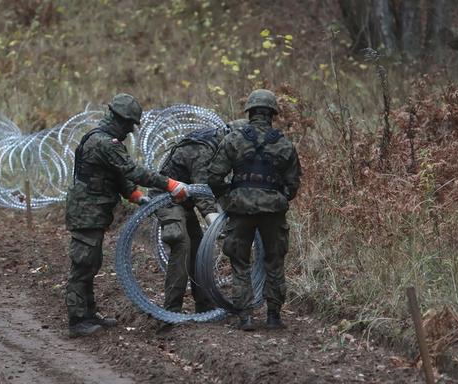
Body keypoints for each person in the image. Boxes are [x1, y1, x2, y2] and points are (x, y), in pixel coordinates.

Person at [64, 93, 188, 338]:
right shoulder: (104, 143)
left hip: (92, 212)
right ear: (120, 121)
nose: (130, 130)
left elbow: (114, 175)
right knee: (83, 265)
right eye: (129, 124)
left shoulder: (100, 140)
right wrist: (170, 184)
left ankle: (88, 313)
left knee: (91, 262)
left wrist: (133, 195)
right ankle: (77, 320)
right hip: (86, 213)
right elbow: (131, 170)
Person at [206, 89, 302, 331]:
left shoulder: (234, 139)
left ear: (249, 112)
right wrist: (276, 198)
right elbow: (293, 186)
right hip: (273, 212)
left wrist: (229, 198)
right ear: (272, 114)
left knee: (240, 262)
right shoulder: (284, 143)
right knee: (274, 261)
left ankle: (245, 316)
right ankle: (273, 317)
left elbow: (214, 176)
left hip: (240, 210)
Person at [153, 123, 229, 334]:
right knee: (182, 243)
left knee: (200, 248)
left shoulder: (214, 145)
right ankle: (170, 313)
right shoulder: (202, 150)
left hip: (183, 202)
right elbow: (202, 191)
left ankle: (204, 306)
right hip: (166, 200)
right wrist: (216, 223)